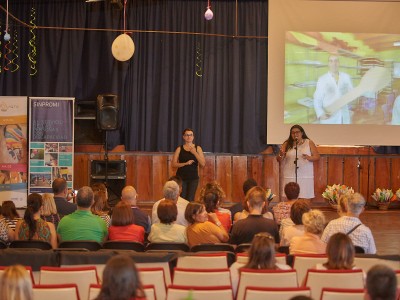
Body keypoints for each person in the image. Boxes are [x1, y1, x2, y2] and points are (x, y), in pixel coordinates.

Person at [277, 125, 320, 199]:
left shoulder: (309, 142)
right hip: (290, 174)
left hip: (305, 174)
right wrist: (281, 155)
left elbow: (317, 157)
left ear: (302, 133)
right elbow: (279, 160)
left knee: (304, 197)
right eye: (293, 133)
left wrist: (309, 158)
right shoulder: (287, 144)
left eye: (297, 132)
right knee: (291, 197)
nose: (295, 134)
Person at [313, 54, 353, 124]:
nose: (334, 64)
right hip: (329, 117)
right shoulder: (322, 79)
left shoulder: (346, 77)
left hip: (343, 114)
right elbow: (317, 99)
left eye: (336, 61)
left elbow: (351, 93)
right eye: (331, 61)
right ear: (328, 64)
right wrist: (320, 113)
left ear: (339, 63)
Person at [172, 128, 206, 201]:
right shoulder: (179, 148)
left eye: (190, 135)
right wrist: (185, 163)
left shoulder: (198, 148)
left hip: (193, 178)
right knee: (182, 198)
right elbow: (174, 164)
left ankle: (189, 212)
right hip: (181, 177)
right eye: (187, 135)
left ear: (193, 137)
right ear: (183, 137)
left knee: (190, 199)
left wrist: (194, 153)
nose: (189, 137)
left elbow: (203, 164)